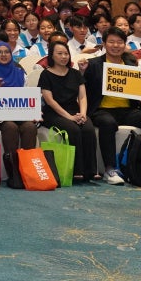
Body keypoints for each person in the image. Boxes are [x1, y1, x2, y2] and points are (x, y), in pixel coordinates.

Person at [84, 28, 141, 185]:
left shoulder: (131, 64)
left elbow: (138, 92)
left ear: (125, 44)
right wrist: (81, 71)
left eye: (120, 42)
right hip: (101, 110)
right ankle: (110, 169)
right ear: (104, 44)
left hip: (127, 110)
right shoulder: (93, 64)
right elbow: (84, 90)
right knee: (108, 123)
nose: (116, 45)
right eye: (111, 42)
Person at [37, 39, 99, 183]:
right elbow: (50, 101)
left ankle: (90, 171)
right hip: (54, 112)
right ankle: (76, 171)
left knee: (88, 128)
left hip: (75, 109)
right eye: (59, 53)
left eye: (66, 53)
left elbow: (82, 97)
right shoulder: (45, 74)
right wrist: (69, 117)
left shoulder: (76, 74)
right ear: (51, 56)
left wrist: (83, 113)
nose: (64, 56)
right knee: (73, 129)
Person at [0, 39, 34, 187]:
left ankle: (27, 172)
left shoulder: (20, 72)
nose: (3, 55)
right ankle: (14, 173)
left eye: (7, 52)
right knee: (10, 127)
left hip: (19, 112)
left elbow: (28, 95)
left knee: (29, 127)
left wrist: (33, 111)